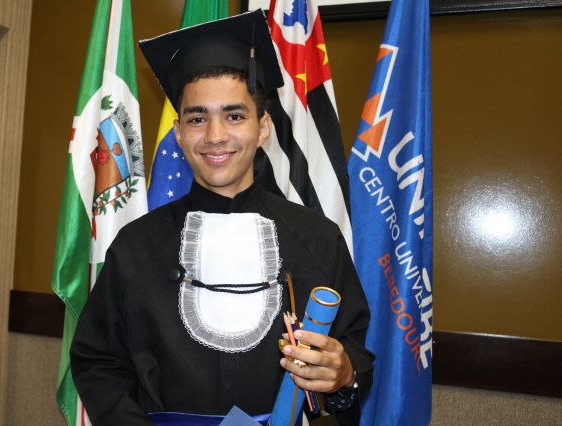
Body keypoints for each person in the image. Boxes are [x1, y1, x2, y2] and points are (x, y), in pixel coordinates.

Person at [70, 9, 373, 426]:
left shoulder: (319, 239)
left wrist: (344, 374)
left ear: (263, 127)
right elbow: (98, 360)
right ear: (179, 133)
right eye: (197, 118)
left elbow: (353, 352)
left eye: (234, 116)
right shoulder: (135, 246)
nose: (215, 136)